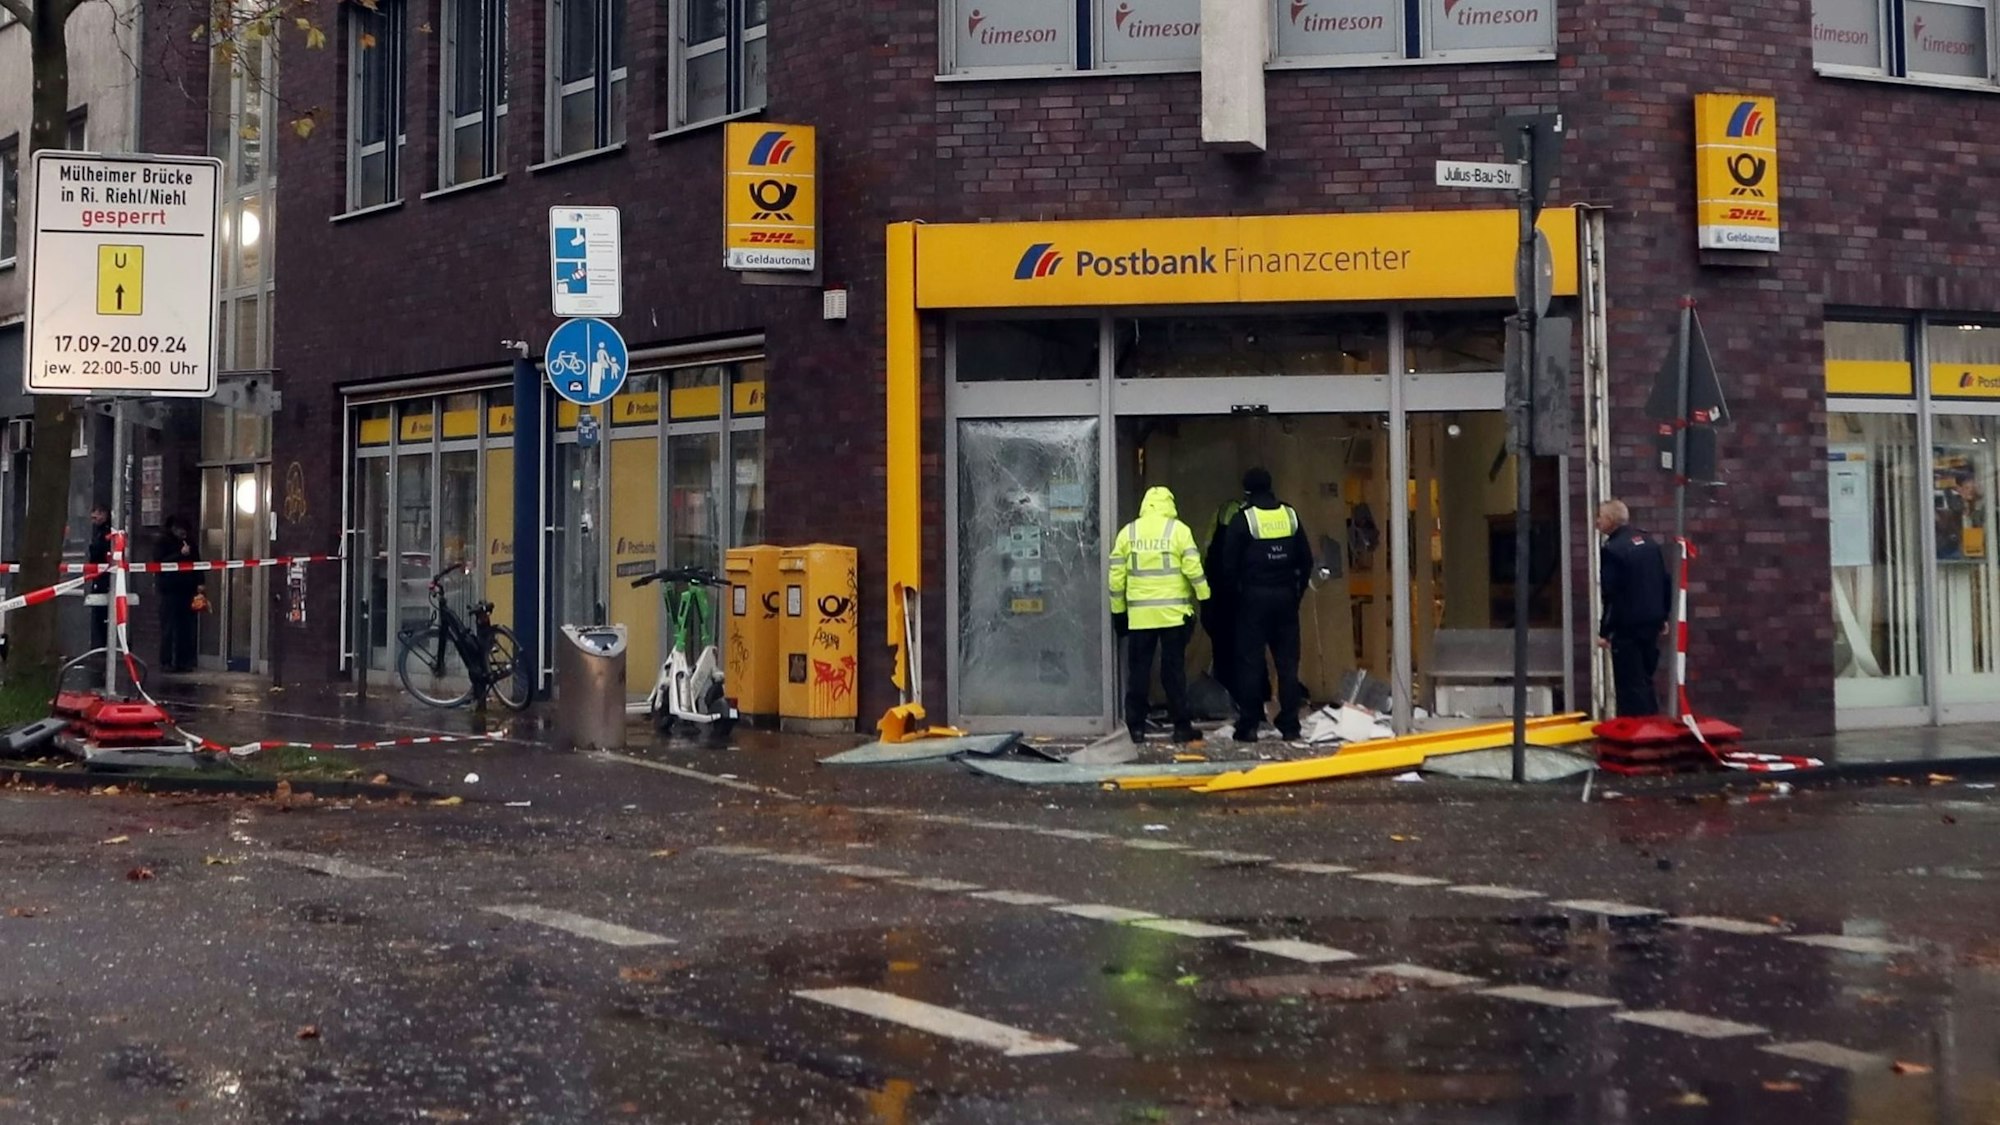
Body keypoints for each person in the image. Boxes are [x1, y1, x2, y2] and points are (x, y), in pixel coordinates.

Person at [1215, 467, 1313, 742]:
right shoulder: (1289, 515)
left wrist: (1236, 598)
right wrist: (1296, 593)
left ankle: (1249, 725)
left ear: (1246, 490)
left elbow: (1227, 566)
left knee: (1250, 663)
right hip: (1286, 597)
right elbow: (1306, 560)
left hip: (1253, 599)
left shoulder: (1243, 519)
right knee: (1288, 664)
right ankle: (1290, 725)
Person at [1108, 485, 1210, 745]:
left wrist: (1119, 612)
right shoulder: (1179, 531)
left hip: (1140, 617)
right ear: (1170, 504)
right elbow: (1194, 570)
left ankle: (1136, 728)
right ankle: (1181, 727)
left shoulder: (1128, 533)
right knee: (1173, 671)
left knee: (1139, 673)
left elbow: (1116, 577)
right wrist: (1205, 599)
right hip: (1173, 615)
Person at [1595, 499, 1673, 717]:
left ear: (1610, 519)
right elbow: (1664, 581)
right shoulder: (1649, 543)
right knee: (1646, 678)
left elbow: (1612, 594)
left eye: (1600, 516)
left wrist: (1605, 632)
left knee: (1629, 683)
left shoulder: (1612, 550)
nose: (1597, 521)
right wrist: (1664, 616)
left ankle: (1637, 726)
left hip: (1627, 626)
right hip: (1652, 622)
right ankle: (1652, 721)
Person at [153, 516, 204, 673]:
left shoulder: (190, 543)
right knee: (168, 627)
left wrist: (200, 582)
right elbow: (159, 563)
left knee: (186, 627)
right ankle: (166, 661)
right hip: (170, 590)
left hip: (187, 589)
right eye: (180, 530)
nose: (183, 533)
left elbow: (197, 562)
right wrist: (179, 554)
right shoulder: (163, 542)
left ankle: (184, 661)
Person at [86, 503, 111, 652]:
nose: (93, 517)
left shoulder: (106, 533)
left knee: (102, 612)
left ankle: (105, 646)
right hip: (99, 576)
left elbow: (99, 552)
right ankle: (103, 646)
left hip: (104, 577)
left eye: (97, 513)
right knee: (100, 612)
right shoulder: (99, 531)